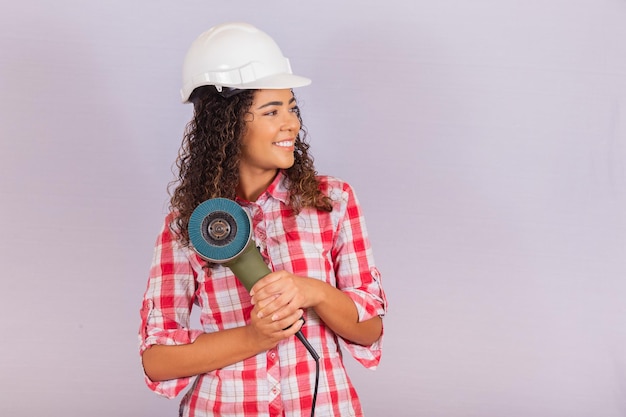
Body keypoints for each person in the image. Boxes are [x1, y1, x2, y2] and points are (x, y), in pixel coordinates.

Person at [138, 22, 387, 417]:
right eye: (272, 111)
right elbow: (157, 359)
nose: (291, 123)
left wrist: (314, 292)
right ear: (227, 124)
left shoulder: (331, 201)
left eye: (292, 107)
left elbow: (370, 329)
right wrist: (254, 336)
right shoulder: (191, 222)